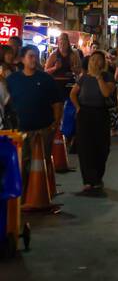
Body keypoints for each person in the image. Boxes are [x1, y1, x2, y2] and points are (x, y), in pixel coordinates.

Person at [6, 46, 64, 186]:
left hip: (42, 129)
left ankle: (43, 194)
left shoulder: (46, 79)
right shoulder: (13, 79)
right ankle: (24, 196)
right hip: (20, 130)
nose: (34, 59)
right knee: (22, 164)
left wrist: (55, 124)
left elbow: (57, 103)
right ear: (22, 59)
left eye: (36, 56)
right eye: (31, 56)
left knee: (41, 163)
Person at [69, 51, 116, 195]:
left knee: (102, 147)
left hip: (100, 114)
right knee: (85, 148)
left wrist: (98, 77)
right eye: (93, 59)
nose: (95, 62)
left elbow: (106, 93)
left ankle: (98, 177)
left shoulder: (107, 76)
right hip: (85, 115)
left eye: (98, 60)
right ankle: (88, 181)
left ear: (103, 63)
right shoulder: (83, 78)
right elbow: (73, 93)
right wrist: (78, 108)